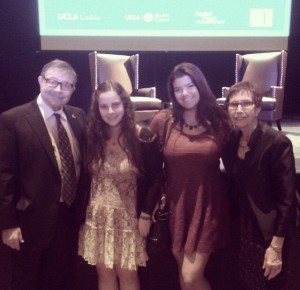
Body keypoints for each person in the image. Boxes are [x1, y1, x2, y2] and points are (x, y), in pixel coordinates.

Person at [0, 59, 86, 290]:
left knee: (60, 279)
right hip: (29, 223)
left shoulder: (79, 116)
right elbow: (4, 176)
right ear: (40, 81)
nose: (59, 90)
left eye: (66, 85)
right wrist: (7, 224)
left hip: (69, 218)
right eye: (54, 82)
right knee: (25, 281)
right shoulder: (13, 119)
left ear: (73, 89)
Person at [150, 62, 231, 290]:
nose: (184, 93)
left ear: (200, 85)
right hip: (177, 205)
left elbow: (236, 162)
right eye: (178, 89)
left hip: (208, 205)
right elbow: (151, 165)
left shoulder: (220, 121)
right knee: (182, 275)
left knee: (190, 277)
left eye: (190, 86)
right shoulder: (163, 121)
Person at [78, 80, 162, 290]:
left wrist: (145, 214)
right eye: (103, 106)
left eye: (115, 105)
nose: (110, 111)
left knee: (128, 276)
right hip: (97, 218)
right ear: (97, 110)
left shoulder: (143, 137)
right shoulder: (91, 137)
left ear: (125, 105)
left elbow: (156, 179)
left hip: (129, 219)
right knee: (104, 277)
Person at [222, 81, 297, 289]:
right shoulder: (231, 139)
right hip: (243, 228)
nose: (238, 110)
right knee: (247, 281)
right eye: (233, 104)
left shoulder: (277, 143)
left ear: (257, 109)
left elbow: (288, 200)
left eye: (245, 104)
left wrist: (276, 246)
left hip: (269, 231)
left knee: (268, 283)